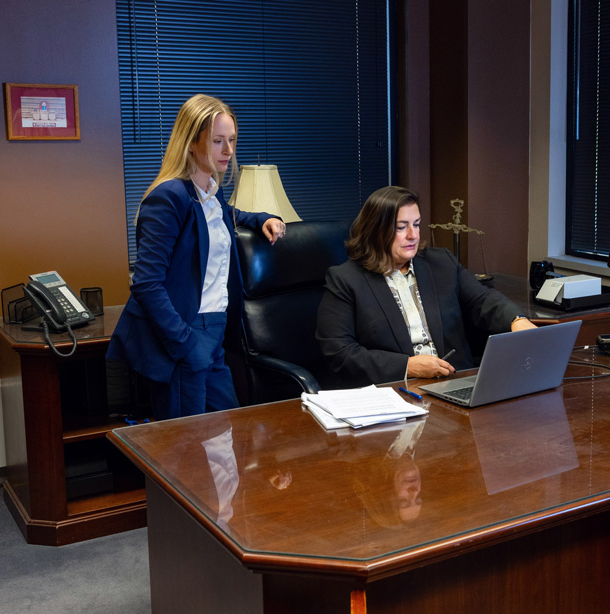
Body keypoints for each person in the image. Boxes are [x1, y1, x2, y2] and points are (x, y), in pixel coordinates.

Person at [107, 94, 287, 420]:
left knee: (227, 436)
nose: (228, 151)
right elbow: (146, 283)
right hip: (185, 333)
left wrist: (261, 218)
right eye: (217, 141)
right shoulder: (169, 198)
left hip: (215, 333)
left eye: (231, 140)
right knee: (186, 454)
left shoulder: (210, 197)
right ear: (191, 143)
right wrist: (184, 343)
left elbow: (226, 216)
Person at [316, 185, 536, 388]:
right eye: (401, 227)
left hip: (455, 383)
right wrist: (407, 366)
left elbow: (482, 300)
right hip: (395, 390)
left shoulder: (441, 263)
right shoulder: (346, 279)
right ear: (375, 231)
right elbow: (339, 352)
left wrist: (517, 320)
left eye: (417, 224)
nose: (413, 235)